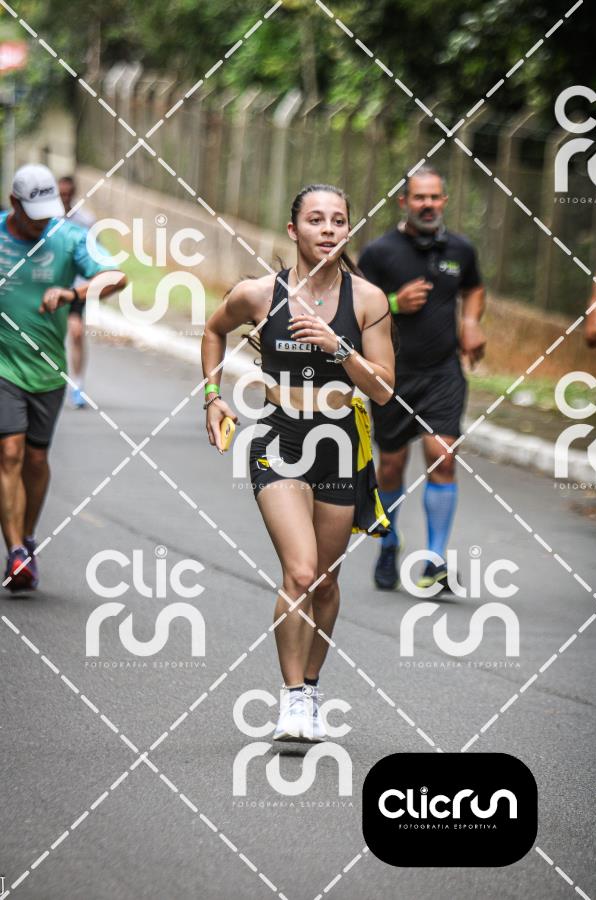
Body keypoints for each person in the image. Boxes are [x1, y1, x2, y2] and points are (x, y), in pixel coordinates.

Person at [202, 184, 395, 741]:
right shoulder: (260, 295)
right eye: (316, 220)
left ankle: (310, 688)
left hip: (339, 445)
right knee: (302, 573)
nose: (328, 229)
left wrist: (340, 348)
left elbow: (384, 390)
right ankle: (290, 699)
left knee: (327, 583)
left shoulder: (368, 301)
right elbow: (213, 331)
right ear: (294, 230)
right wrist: (212, 397)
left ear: (348, 230)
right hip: (280, 439)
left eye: (338, 220)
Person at [358, 166, 486, 592]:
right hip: (392, 375)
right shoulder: (379, 253)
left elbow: (474, 287)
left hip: (443, 373)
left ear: (444, 200)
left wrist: (471, 322)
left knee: (442, 457)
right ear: (404, 202)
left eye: (434, 197)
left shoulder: (460, 250)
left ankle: (433, 561)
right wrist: (394, 302)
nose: (428, 205)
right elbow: (355, 306)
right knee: (391, 465)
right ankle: (389, 543)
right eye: (419, 197)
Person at [0, 164, 126, 592]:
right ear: (14, 203)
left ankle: (27, 538)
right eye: (33, 213)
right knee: (9, 452)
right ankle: (15, 552)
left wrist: (73, 293)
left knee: (36, 459)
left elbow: (115, 276)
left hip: (47, 368)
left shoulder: (68, 237)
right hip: (3, 365)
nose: (42, 222)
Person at [59, 175, 96, 408]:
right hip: (50, 284)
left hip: (76, 286)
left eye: (67, 194)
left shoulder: (85, 220)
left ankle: (78, 385)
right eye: (60, 194)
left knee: (76, 332)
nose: (64, 198)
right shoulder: (47, 219)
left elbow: (95, 253)